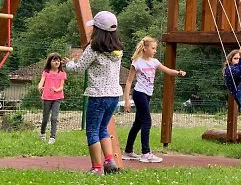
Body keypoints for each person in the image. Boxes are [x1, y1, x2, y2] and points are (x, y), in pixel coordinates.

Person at [64, 11, 123, 175]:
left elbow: (78, 68)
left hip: (98, 95)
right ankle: (109, 161)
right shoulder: (117, 50)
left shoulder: (93, 49)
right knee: (103, 128)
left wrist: (69, 64)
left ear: (97, 29)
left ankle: (97, 168)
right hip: (114, 96)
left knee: (92, 131)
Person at [122, 36, 186, 163]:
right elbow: (129, 82)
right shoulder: (137, 62)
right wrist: (127, 100)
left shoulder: (155, 62)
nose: (155, 51)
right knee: (147, 122)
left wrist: (178, 72)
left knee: (138, 124)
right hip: (139, 94)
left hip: (147, 94)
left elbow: (168, 70)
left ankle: (128, 151)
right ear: (145, 49)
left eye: (155, 48)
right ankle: (146, 153)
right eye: (153, 48)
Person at [38, 52, 66, 144]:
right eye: (54, 60)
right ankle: (42, 134)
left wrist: (56, 89)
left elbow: (61, 87)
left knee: (54, 118)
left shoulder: (62, 73)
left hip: (57, 98)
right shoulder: (46, 72)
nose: (57, 62)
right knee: (45, 118)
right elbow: (41, 83)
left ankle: (52, 137)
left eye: (58, 60)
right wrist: (40, 87)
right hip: (46, 98)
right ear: (50, 62)